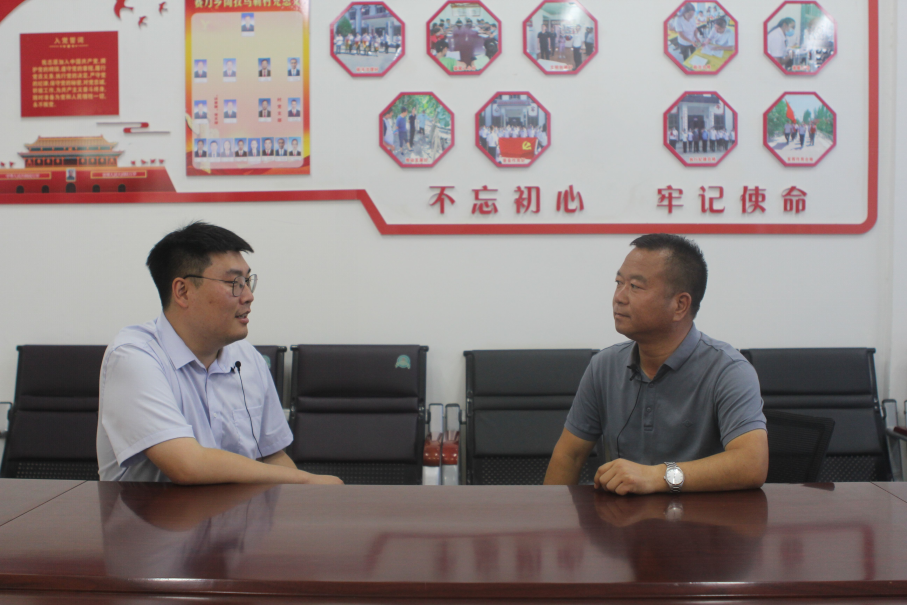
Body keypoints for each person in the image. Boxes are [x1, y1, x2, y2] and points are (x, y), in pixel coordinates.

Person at [96, 222, 343, 485]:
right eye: (234, 282)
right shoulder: (134, 357)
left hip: (236, 512)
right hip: (151, 512)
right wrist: (306, 481)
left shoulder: (247, 358)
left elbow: (272, 456)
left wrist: (308, 496)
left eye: (247, 282)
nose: (248, 296)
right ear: (183, 291)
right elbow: (188, 465)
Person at [543, 234, 768, 495]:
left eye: (635, 286)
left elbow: (752, 463)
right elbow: (569, 456)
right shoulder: (604, 366)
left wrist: (656, 476)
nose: (619, 297)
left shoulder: (728, 370)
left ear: (680, 305)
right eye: (618, 283)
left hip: (702, 518)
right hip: (620, 518)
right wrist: (548, 516)